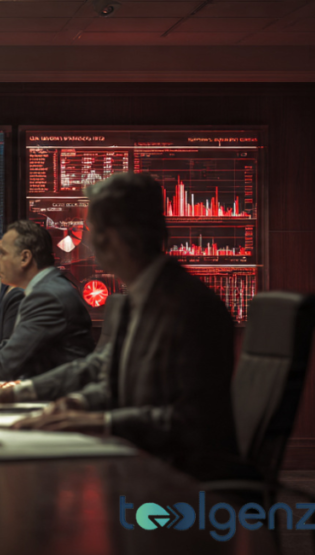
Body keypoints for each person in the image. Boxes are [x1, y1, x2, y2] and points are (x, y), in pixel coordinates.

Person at [12, 172, 240, 481]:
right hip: (138, 466)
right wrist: (76, 403)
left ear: (118, 236)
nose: (91, 240)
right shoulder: (138, 297)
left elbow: (192, 422)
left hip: (182, 485)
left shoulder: (191, 307)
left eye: (95, 229)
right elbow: (115, 383)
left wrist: (101, 423)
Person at [0, 220, 94, 381]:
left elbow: (7, 365)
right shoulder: (46, 289)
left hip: (60, 397)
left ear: (25, 258)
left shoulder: (46, 296)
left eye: (3, 254)